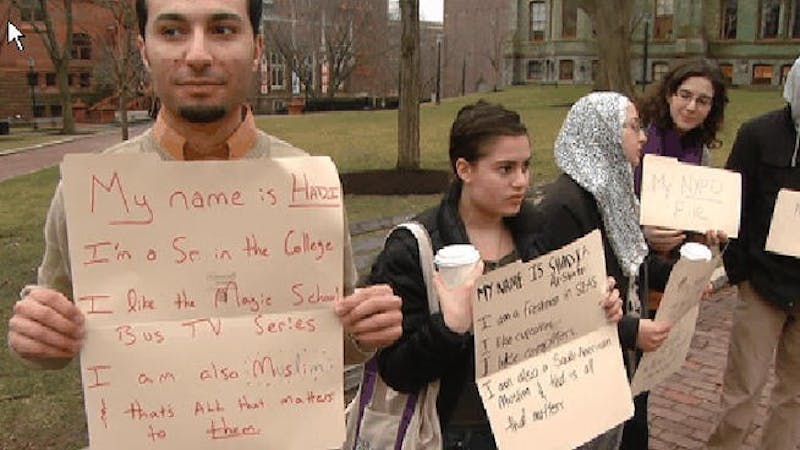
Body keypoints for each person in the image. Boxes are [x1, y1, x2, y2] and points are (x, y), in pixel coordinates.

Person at [7, 0, 401, 372]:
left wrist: (364, 329)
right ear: (144, 50)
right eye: (173, 31)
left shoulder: (308, 185)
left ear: (257, 47)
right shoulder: (90, 193)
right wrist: (41, 335)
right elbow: (57, 330)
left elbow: (337, 338)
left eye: (223, 29)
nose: (197, 55)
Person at [367, 100, 624, 450]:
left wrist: (597, 309)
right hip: (451, 433)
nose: (521, 181)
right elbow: (396, 370)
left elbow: (554, 329)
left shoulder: (539, 231)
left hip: (532, 423)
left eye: (525, 166)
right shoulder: (414, 248)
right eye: (505, 169)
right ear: (465, 169)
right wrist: (449, 328)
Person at [537, 92, 676, 449]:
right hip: (591, 366)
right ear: (602, 134)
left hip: (626, 356)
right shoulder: (564, 206)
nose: (643, 136)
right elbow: (563, 302)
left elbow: (635, 257)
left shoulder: (615, 189)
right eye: (632, 127)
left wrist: (681, 278)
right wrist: (630, 331)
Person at [628, 58, 729, 449]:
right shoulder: (640, 139)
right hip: (630, 272)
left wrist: (708, 235)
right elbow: (611, 206)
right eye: (685, 95)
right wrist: (643, 227)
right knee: (625, 377)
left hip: (667, 279)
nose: (691, 106)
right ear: (669, 94)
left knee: (646, 377)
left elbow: (700, 219)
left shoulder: (700, 154)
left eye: (703, 101)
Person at [706, 56, 800, 450]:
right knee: (743, 390)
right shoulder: (758, 134)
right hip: (762, 283)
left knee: (794, 396)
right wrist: (739, 268)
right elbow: (731, 205)